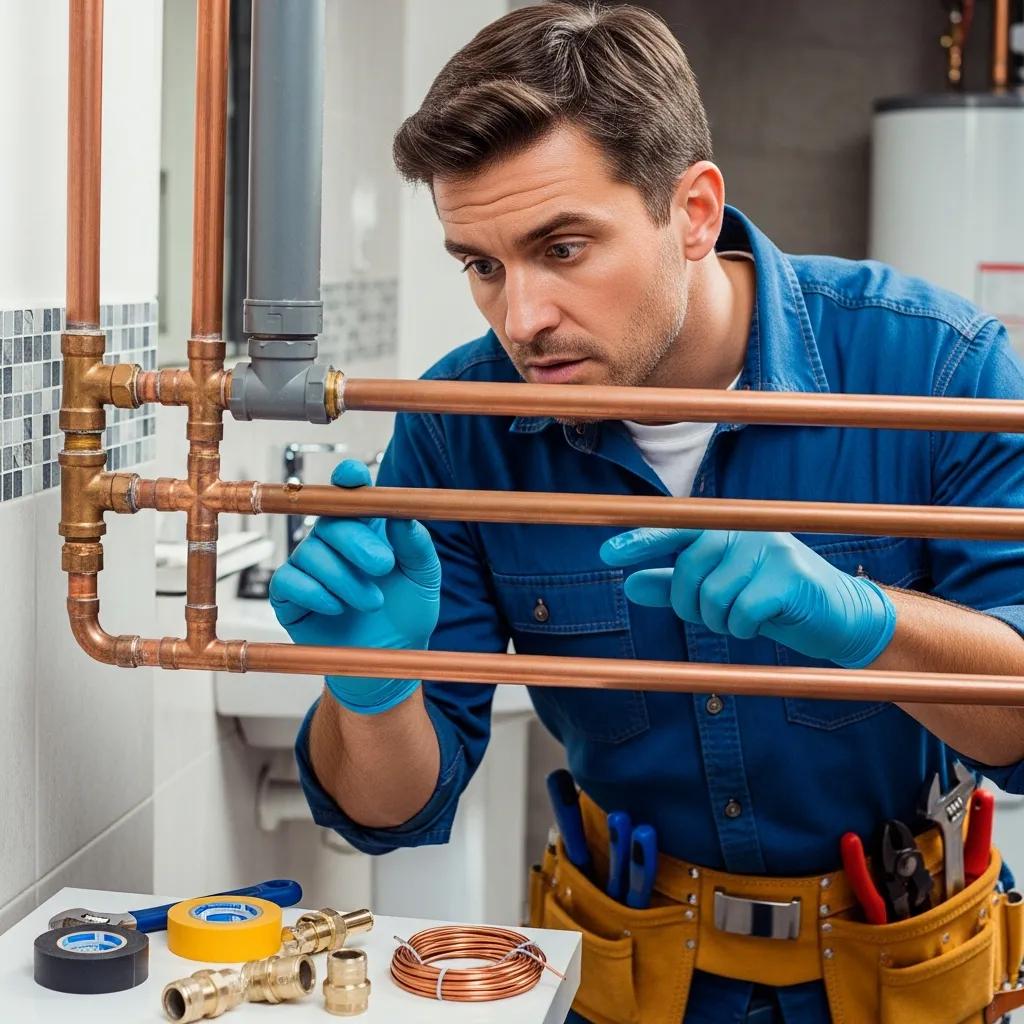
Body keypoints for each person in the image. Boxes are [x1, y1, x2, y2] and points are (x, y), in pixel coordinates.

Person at [269, 5, 1024, 1022]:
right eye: (483, 265)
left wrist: (866, 625)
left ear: (694, 212)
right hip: (637, 976)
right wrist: (369, 686)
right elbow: (390, 810)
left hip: (900, 968)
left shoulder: (934, 368)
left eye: (564, 248)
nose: (519, 317)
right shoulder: (460, 430)